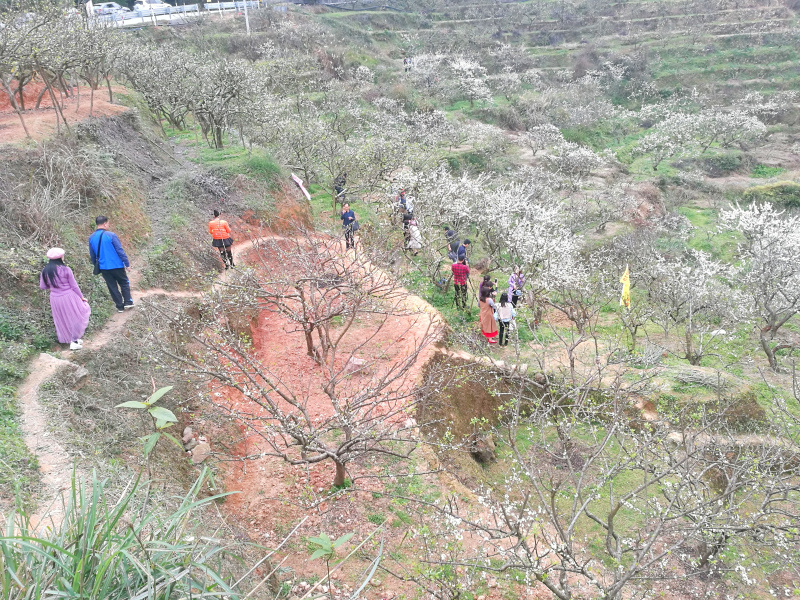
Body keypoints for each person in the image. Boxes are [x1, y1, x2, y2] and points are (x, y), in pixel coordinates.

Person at [40, 248, 91, 351]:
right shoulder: (65, 269)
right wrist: (81, 297)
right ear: (60, 258)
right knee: (76, 316)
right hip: (68, 296)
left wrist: (53, 286)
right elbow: (74, 286)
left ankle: (74, 339)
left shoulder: (45, 271)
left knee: (63, 319)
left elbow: (43, 286)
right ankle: (74, 341)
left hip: (55, 298)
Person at [89, 215, 133, 314]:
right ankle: (128, 302)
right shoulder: (111, 235)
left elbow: (92, 255)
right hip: (117, 265)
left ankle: (120, 306)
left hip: (104, 267)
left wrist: (96, 265)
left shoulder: (91, 238)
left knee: (112, 286)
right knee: (124, 282)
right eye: (108, 223)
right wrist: (127, 263)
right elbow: (119, 250)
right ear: (105, 223)